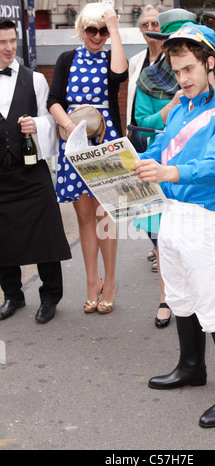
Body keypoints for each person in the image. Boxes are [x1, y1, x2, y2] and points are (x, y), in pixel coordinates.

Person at [133, 23, 215, 428]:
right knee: (179, 297)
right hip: (171, 216)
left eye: (188, 69)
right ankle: (191, 367)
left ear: (209, 62)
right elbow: (159, 145)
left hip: (203, 219)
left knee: (212, 305)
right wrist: (123, 160)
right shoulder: (182, 107)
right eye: (177, 71)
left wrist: (167, 171)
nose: (182, 79)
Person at [48, 1, 128, 314]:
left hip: (105, 141)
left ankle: (109, 282)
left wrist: (116, 28)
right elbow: (54, 99)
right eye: (92, 29)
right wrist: (68, 125)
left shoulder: (111, 56)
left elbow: (120, 76)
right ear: (82, 30)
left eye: (103, 30)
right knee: (84, 215)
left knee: (104, 215)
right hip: (74, 140)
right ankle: (91, 281)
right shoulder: (67, 58)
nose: (97, 35)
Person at [0, 19, 71, 324]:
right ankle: (13, 296)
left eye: (12, 40)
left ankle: (50, 296)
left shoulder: (36, 79)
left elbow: (49, 120)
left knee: (46, 234)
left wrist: (36, 126)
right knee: (2, 238)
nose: (9, 47)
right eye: (2, 42)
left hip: (31, 172)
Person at [134, 8, 198, 328]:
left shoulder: (201, 79)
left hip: (191, 176)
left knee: (190, 239)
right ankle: (166, 298)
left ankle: (192, 297)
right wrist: (170, 108)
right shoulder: (149, 77)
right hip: (158, 167)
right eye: (169, 41)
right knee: (161, 241)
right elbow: (140, 126)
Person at [127, 3, 165, 153]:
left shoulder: (171, 60)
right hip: (134, 133)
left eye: (155, 24)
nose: (149, 28)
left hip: (158, 135)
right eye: (145, 24)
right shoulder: (136, 60)